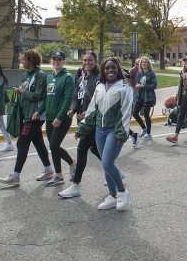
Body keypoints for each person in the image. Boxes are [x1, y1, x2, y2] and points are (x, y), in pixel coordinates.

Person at [75, 57, 132, 211]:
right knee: (105, 165)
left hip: (114, 131)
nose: (110, 70)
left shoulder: (124, 88)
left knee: (107, 162)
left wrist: (122, 133)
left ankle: (122, 192)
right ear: (103, 71)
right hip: (99, 130)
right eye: (107, 68)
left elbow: (126, 113)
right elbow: (92, 110)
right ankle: (112, 196)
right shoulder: (100, 86)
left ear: (118, 69)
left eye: (113, 67)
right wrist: (82, 129)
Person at [0, 49, 53, 186]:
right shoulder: (25, 75)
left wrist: (23, 92)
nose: (21, 62)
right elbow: (25, 95)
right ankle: (49, 170)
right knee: (38, 143)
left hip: (35, 116)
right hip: (26, 115)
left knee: (22, 143)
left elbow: (39, 96)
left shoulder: (41, 76)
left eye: (23, 59)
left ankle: (15, 176)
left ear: (31, 61)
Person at [59, 51, 101, 198]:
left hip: (94, 120)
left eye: (90, 60)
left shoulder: (99, 78)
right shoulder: (81, 79)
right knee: (94, 148)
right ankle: (115, 171)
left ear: (95, 61)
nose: (87, 62)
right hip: (82, 119)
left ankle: (75, 185)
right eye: (85, 60)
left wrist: (89, 112)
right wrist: (72, 109)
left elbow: (101, 100)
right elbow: (76, 97)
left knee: (82, 148)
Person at [34, 51, 75, 186]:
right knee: (54, 148)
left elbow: (68, 99)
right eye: (54, 59)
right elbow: (46, 98)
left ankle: (71, 164)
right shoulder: (49, 76)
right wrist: (39, 112)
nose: (56, 62)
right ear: (51, 61)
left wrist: (59, 117)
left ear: (64, 61)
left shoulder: (68, 77)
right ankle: (58, 175)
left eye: (59, 60)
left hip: (61, 118)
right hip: (50, 118)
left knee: (54, 145)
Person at [166, 55, 187, 144]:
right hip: (184, 96)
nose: (186, 63)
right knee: (181, 115)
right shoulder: (182, 71)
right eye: (185, 61)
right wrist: (178, 96)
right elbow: (180, 86)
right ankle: (175, 136)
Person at [133, 57, 157, 140]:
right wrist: (137, 85)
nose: (144, 64)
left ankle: (149, 134)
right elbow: (137, 82)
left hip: (149, 97)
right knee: (135, 113)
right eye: (142, 62)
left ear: (148, 64)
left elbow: (154, 85)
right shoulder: (139, 73)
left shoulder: (151, 73)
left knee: (146, 115)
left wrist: (143, 86)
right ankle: (144, 128)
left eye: (146, 62)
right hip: (140, 97)